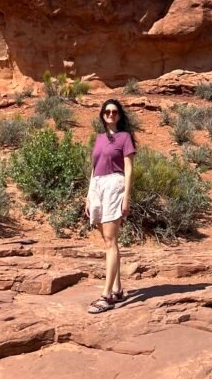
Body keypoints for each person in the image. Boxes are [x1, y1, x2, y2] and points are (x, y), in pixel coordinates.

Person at [85, 98, 136, 313]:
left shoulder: (125, 138)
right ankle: (117, 288)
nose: (111, 115)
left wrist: (126, 197)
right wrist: (88, 195)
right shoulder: (98, 139)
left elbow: (129, 168)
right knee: (106, 239)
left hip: (115, 184)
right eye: (107, 112)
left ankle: (106, 296)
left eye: (115, 112)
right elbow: (93, 167)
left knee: (110, 240)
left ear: (120, 115)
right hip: (97, 185)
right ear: (102, 115)